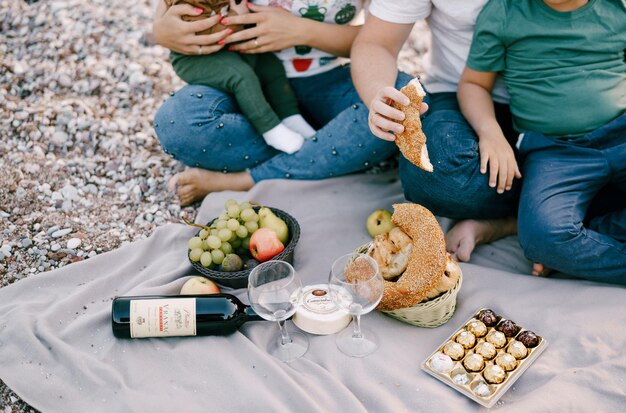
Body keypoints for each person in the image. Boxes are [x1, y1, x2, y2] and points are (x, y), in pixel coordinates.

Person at [152, 0, 414, 206]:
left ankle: (243, 179)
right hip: (245, 83)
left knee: (402, 101)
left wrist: (302, 31)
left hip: (329, 84)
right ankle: (328, 151)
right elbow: (170, 10)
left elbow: (379, 40)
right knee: (178, 120)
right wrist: (162, 29)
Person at [457, 0, 626, 283]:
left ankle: (588, 232)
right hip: (555, 151)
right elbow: (474, 83)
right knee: (542, 239)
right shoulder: (505, 12)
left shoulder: (615, 7)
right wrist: (491, 132)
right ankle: (575, 242)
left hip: (620, 132)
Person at [351, 0, 521, 264]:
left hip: (562, 102)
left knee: (604, 159)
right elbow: (376, 42)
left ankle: (537, 216)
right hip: (460, 93)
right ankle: (546, 210)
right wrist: (378, 96)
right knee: (431, 170)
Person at [165, 0, 315, 154]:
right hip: (195, 57)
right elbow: (205, 32)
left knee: (270, 65)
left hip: (228, 46)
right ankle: (270, 128)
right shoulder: (190, 5)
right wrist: (238, 15)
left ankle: (290, 116)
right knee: (241, 76)